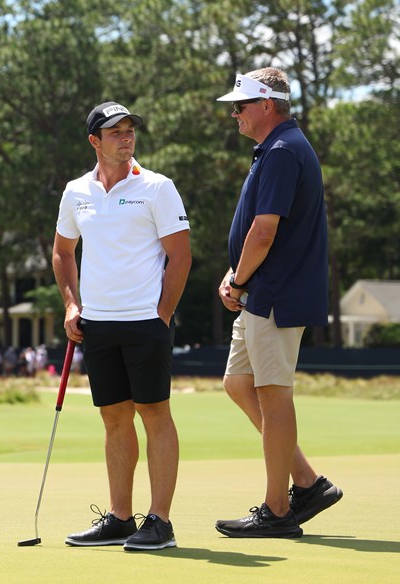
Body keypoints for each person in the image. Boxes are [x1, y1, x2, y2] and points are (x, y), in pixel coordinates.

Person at [53, 101, 191, 551]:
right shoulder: (76, 192)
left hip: (145, 322)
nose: (126, 137)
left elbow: (181, 255)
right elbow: (62, 251)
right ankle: (119, 518)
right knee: (114, 420)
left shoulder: (157, 187)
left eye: (129, 129)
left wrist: (163, 314)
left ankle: (161, 522)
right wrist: (72, 305)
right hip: (97, 324)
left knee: (155, 415)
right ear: (95, 140)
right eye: (115, 131)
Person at [213, 68, 342, 538]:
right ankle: (307, 483)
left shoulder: (284, 151)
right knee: (238, 382)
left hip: (275, 295)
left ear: (267, 105)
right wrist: (237, 276)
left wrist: (238, 279)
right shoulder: (276, 148)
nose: (234, 113)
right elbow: (259, 228)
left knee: (272, 392)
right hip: (261, 293)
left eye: (241, 105)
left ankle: (277, 511)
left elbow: (264, 231)